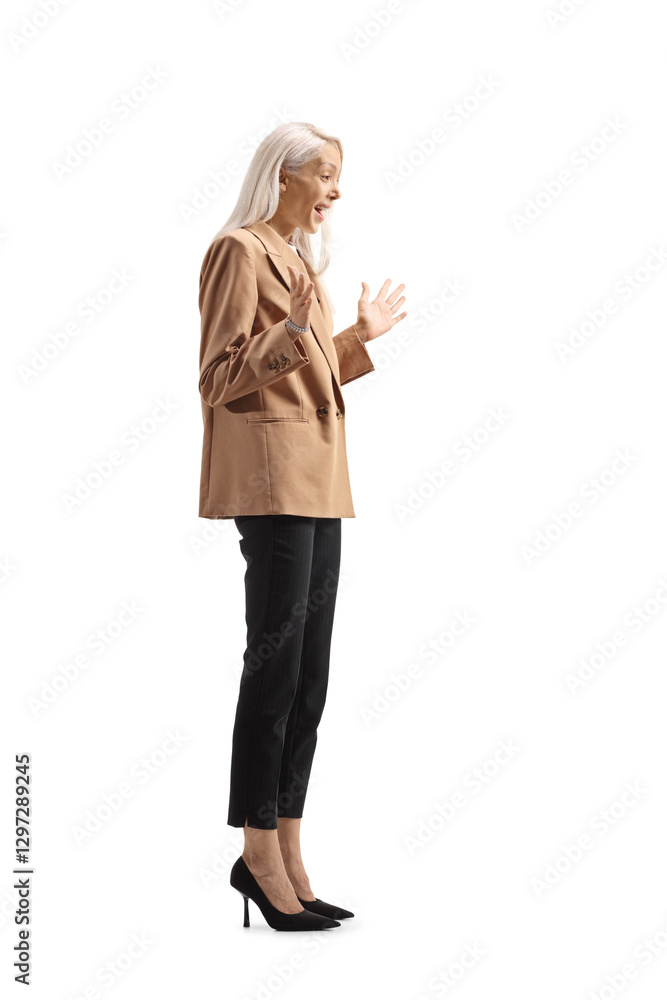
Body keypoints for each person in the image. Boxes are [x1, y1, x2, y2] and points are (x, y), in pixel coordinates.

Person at [197, 122, 406, 930]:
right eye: (323, 173)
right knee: (275, 672)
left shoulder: (300, 264)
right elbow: (219, 377)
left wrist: (355, 340)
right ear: (281, 176)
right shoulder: (239, 252)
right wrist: (288, 333)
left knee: (308, 678)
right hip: (273, 482)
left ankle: (287, 848)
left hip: (319, 482)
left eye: (337, 175)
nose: (335, 189)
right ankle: (255, 853)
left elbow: (304, 380)